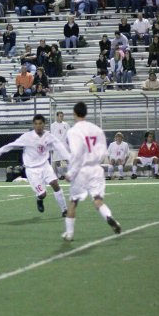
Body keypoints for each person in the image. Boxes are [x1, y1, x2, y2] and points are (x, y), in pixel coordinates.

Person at [62, 102, 121, 241]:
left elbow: (76, 154)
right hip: (96, 169)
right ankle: (108, 217)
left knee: (73, 202)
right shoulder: (96, 129)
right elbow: (103, 151)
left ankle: (69, 233)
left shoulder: (73, 131)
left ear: (74, 113)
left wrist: (71, 173)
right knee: (97, 200)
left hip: (81, 170)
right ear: (86, 113)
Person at [0, 114, 68, 216]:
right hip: (32, 170)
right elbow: (11, 145)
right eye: (36, 124)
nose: (38, 126)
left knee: (55, 184)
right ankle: (39, 199)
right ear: (33, 125)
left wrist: (70, 158)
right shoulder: (27, 137)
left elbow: (60, 147)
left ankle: (64, 210)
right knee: (43, 194)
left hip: (45, 166)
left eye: (40, 123)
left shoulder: (49, 136)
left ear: (44, 124)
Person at [50, 111, 70, 179]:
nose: (61, 117)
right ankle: (57, 175)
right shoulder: (52, 125)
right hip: (56, 145)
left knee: (65, 160)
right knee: (56, 161)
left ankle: (66, 174)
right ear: (57, 116)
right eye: (60, 116)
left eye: (62, 116)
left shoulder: (66, 125)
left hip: (64, 145)